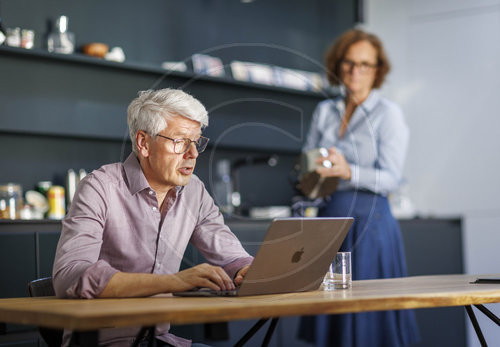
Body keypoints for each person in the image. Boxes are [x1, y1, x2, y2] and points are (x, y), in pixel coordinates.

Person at [52, 88, 254, 347]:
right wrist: (175, 282)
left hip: (159, 340)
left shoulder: (194, 191)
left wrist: (247, 271)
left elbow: (233, 256)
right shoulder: (99, 187)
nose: (192, 155)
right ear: (144, 143)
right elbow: (70, 276)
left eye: (197, 142)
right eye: (180, 141)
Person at [298, 29, 420, 346]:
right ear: (338, 66)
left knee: (370, 323)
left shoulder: (388, 114)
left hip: (371, 224)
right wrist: (311, 176)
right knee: (332, 321)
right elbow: (307, 164)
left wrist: (348, 171)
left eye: (365, 64)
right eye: (349, 63)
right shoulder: (325, 111)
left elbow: (393, 178)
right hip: (327, 220)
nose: (356, 71)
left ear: (378, 70)